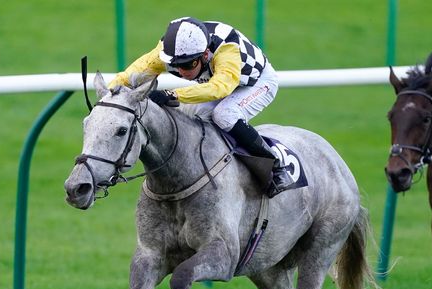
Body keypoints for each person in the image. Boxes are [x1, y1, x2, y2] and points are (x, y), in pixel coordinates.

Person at [109, 17, 294, 198]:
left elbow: (220, 88)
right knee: (188, 115)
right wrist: (109, 97)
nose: (182, 71)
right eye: (176, 65)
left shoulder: (227, 48)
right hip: (216, 81)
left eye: (188, 65)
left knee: (224, 115)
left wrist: (172, 95)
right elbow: (128, 77)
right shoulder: (166, 51)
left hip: (255, 83)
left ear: (205, 54)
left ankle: (276, 167)